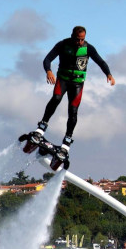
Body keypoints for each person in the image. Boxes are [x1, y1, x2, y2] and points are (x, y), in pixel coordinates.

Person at [32, 26, 115, 155]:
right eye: (77, 40)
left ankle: (67, 140)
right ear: (72, 36)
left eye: (82, 40)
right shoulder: (63, 44)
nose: (80, 42)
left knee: (73, 110)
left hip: (77, 83)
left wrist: (108, 74)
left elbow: (101, 62)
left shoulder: (88, 48)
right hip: (63, 79)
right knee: (56, 99)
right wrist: (48, 71)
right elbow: (47, 59)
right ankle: (42, 127)